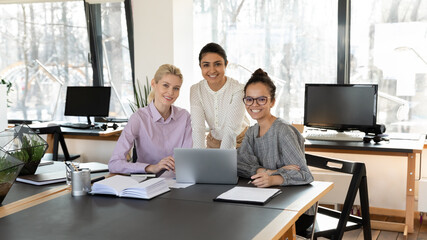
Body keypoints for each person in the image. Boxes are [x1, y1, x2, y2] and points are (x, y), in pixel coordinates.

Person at [237, 68, 314, 236]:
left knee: (245, 225)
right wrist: (264, 171)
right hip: (263, 203)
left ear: (272, 101)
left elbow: (304, 175)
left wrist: (273, 178)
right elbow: (240, 164)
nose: (254, 105)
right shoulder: (251, 132)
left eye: (261, 99)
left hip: (293, 209)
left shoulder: (283, 131)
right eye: (249, 99)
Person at [109, 64, 192, 175]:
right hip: (147, 182)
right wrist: (151, 168)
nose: (171, 92)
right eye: (165, 85)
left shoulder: (184, 117)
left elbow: (188, 159)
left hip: (177, 181)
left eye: (176, 88)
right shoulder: (139, 118)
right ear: (154, 84)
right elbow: (114, 164)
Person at [190, 42, 249, 149]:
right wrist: (198, 158)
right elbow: (198, 128)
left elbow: (231, 130)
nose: (212, 70)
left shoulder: (238, 89)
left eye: (217, 64)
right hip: (214, 140)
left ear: (226, 64)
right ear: (200, 66)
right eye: (206, 65)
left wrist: (223, 159)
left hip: (241, 140)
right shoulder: (196, 90)